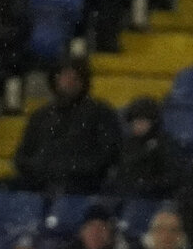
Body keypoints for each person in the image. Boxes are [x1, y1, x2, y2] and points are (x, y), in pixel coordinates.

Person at [12, 60, 122, 195]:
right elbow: (22, 155)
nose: (68, 82)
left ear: (83, 80)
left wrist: (70, 169)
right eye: (64, 76)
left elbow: (107, 155)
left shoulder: (100, 112)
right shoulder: (41, 115)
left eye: (74, 77)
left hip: (83, 183)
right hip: (40, 180)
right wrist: (40, 168)